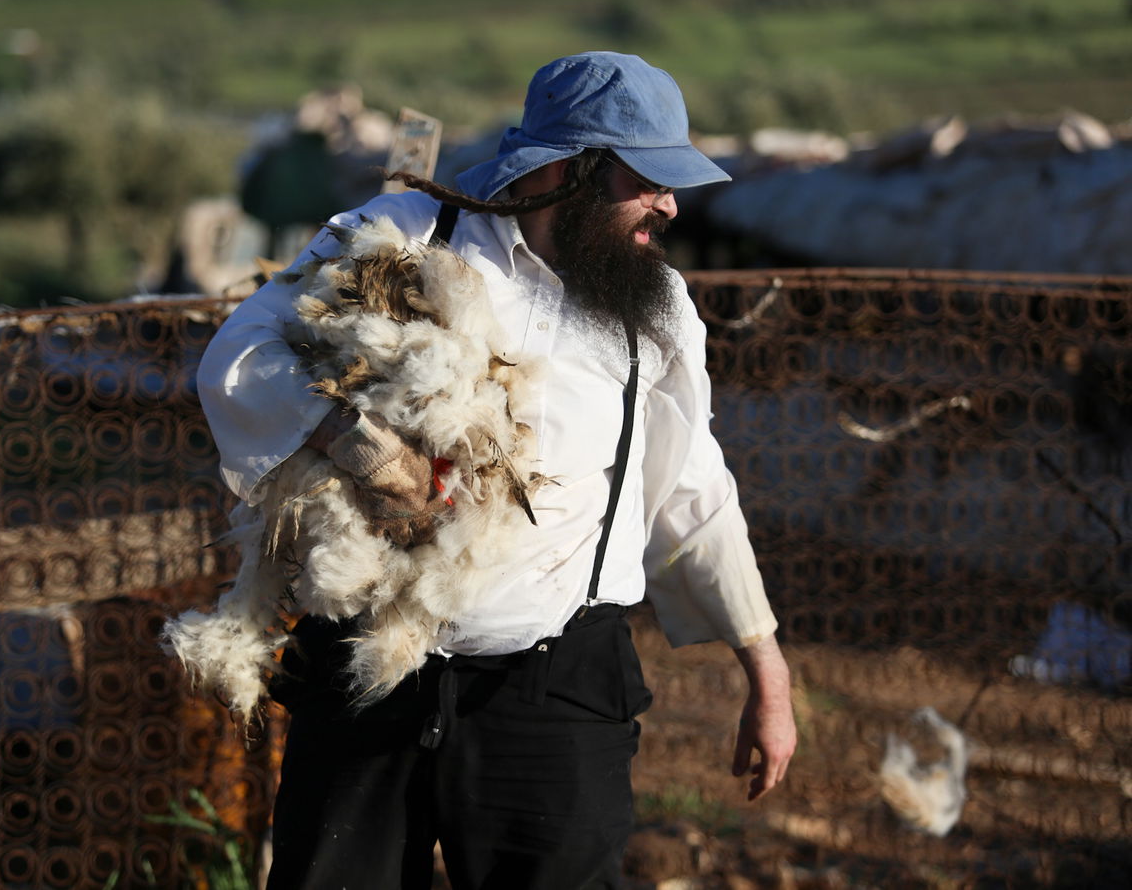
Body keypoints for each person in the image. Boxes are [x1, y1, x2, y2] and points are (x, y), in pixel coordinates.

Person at [196, 51, 796, 890]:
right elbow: (239, 357)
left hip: (552, 699)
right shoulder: (404, 236)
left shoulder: (654, 307)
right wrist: (352, 439)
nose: (667, 203)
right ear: (568, 171)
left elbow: (695, 482)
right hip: (371, 669)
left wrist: (765, 669)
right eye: (647, 178)